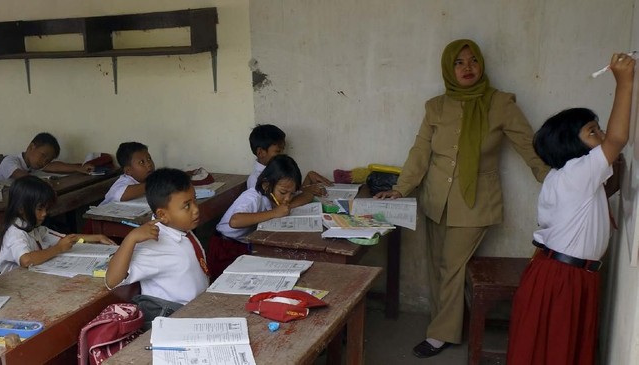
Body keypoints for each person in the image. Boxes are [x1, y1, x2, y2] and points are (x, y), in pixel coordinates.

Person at [375, 39, 549, 358]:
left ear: (482, 64)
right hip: (436, 199)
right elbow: (420, 152)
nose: (467, 68)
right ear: (448, 69)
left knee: (452, 266)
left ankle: (441, 335)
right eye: (458, 62)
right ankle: (450, 323)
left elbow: (528, 145)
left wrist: (553, 177)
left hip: (476, 202)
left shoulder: (500, 104)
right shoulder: (435, 107)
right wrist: (402, 188)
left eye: (472, 61)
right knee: (438, 266)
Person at [507, 53, 635, 365]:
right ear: (569, 146)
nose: (602, 136)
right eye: (593, 131)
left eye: (598, 128)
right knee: (555, 353)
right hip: (562, 278)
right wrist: (625, 82)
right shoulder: (578, 172)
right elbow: (619, 139)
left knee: (555, 351)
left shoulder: (566, 176)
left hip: (564, 274)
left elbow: (609, 185)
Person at [105, 168, 210, 326]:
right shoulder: (153, 243)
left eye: (194, 200)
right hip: (174, 319)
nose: (196, 210)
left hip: (197, 311)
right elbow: (112, 280)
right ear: (162, 215)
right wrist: (131, 238)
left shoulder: (181, 228)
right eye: (187, 206)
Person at [208, 154, 308, 280]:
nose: (287, 198)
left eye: (291, 194)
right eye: (283, 193)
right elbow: (235, 221)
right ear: (266, 185)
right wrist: (275, 213)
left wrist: (286, 206)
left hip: (243, 245)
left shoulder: (278, 195)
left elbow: (307, 195)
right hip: (225, 248)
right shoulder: (252, 197)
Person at [0, 175, 115, 273]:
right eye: (40, 209)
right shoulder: (16, 233)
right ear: (21, 209)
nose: (45, 214)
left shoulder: (35, 228)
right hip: (14, 286)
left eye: (46, 209)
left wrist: (98, 237)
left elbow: (66, 239)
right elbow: (26, 260)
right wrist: (58, 248)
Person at [247, 124, 332, 197]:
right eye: (278, 151)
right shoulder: (255, 180)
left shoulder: (277, 170)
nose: (282, 154)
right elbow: (277, 207)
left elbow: (290, 194)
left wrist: (309, 177)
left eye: (283, 150)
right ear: (260, 152)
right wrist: (305, 192)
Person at [0, 132, 94, 182]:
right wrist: (42, 183)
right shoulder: (10, 161)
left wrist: (78, 168)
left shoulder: (34, 164)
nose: (44, 162)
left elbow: (54, 166)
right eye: (43, 155)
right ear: (31, 147)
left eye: (48, 160)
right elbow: (20, 176)